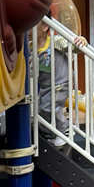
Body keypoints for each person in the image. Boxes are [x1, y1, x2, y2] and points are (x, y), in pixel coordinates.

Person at [35, 19, 72, 148]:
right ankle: (50, 134)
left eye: (32, 24)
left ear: (45, 27)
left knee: (50, 107)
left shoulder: (55, 41)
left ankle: (65, 130)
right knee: (41, 110)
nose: (28, 29)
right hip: (46, 85)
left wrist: (79, 41)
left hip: (60, 82)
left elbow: (72, 46)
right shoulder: (31, 47)